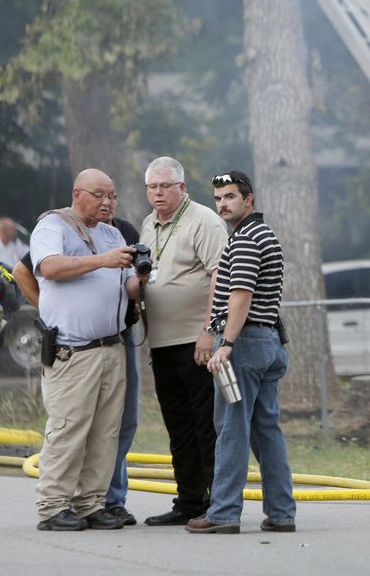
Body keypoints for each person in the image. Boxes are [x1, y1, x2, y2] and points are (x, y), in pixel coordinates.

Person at [12, 197, 142, 528]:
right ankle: (53, 506)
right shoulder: (53, 225)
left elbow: (127, 285)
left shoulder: (115, 234)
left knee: (106, 432)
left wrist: (142, 277)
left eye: (113, 194)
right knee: (68, 429)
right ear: (77, 194)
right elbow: (49, 266)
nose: (108, 201)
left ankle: (91, 503)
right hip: (74, 351)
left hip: (112, 346)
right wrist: (52, 308)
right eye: (99, 194)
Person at [186, 171, 296, 535]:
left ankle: (223, 513)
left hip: (244, 344)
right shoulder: (263, 234)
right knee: (267, 430)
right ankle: (281, 513)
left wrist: (227, 343)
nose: (223, 204)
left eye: (230, 197)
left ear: (249, 200)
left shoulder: (247, 238)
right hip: (267, 342)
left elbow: (241, 295)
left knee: (231, 429)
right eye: (218, 198)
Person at [139, 157, 227, 527]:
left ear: (182, 188)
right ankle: (188, 500)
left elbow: (220, 275)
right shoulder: (147, 224)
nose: (157, 193)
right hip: (162, 343)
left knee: (206, 424)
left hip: (196, 340)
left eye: (164, 186)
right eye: (152, 187)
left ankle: (216, 503)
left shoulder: (203, 220)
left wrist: (209, 330)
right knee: (178, 426)